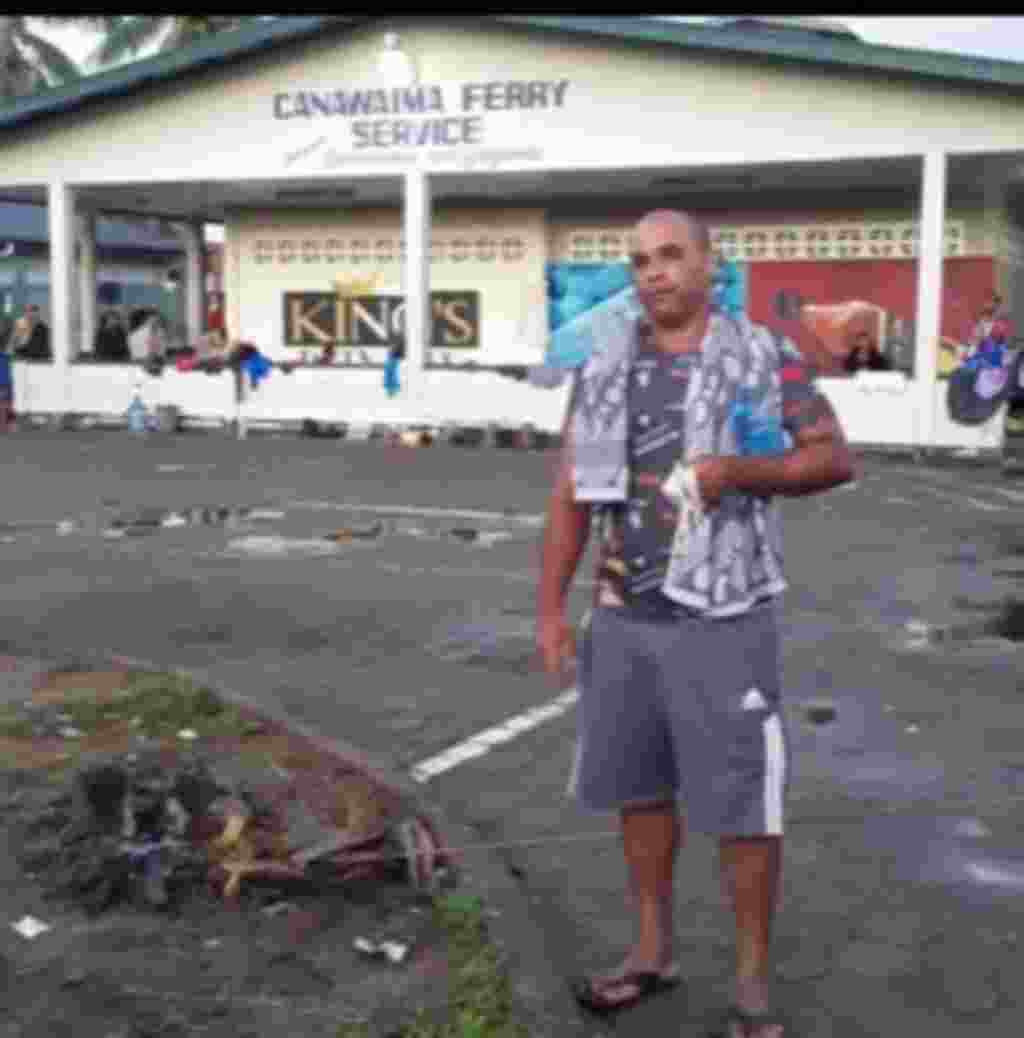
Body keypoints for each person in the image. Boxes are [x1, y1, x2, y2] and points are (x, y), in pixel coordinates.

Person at [537, 210, 854, 1038]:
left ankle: (750, 987)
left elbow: (831, 455)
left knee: (745, 806)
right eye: (639, 261)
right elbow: (571, 491)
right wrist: (550, 610)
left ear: (709, 264)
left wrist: (736, 472)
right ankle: (651, 953)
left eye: (672, 255)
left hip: (725, 618)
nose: (654, 272)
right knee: (640, 796)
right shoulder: (604, 366)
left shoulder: (763, 355)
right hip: (622, 616)